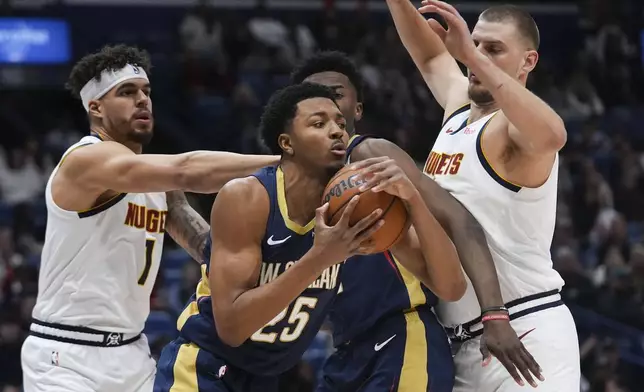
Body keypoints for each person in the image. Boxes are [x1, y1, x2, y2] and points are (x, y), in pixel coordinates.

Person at [155, 83, 463, 392]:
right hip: (202, 367)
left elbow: (450, 287)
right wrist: (321, 258)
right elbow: (232, 328)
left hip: (264, 379)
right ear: (287, 143)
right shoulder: (248, 198)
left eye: (340, 124)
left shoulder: (354, 204)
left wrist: (414, 201)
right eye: (319, 124)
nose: (336, 132)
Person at [20, 44, 280, 392]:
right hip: (66, 356)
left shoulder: (153, 179)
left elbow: (189, 227)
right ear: (95, 107)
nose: (142, 100)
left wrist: (229, 262)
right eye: (127, 92)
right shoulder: (85, 161)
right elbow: (187, 170)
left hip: (132, 353)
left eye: (146, 92)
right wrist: (288, 166)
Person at [291, 50, 539, 391]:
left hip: (402, 336)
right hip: (347, 351)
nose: (324, 102)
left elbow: (460, 221)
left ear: (357, 109)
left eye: (335, 93)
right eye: (310, 96)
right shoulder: (291, 182)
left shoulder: (370, 156)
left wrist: (494, 314)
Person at [389, 0, 580, 390]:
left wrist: (471, 56)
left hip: (526, 328)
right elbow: (427, 56)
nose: (473, 54)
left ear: (528, 62)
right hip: (459, 342)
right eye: (473, 43)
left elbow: (554, 135)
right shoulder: (460, 108)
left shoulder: (514, 131)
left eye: (493, 49)